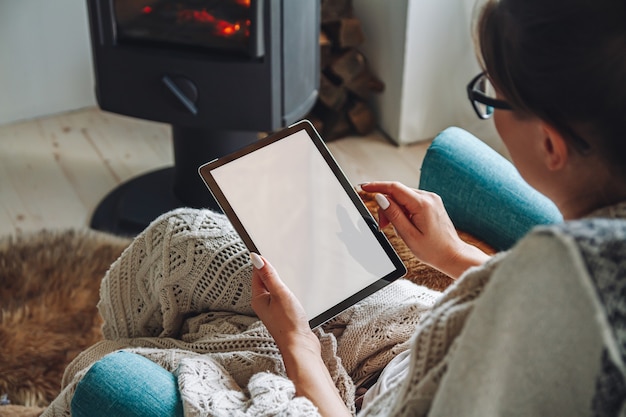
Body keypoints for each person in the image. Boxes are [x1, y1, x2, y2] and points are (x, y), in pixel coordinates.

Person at [45, 0, 625, 415]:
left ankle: (97, 368)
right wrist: (450, 256)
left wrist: (297, 345)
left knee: (155, 328)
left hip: (365, 393)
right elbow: (525, 310)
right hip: (418, 335)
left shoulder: (572, 304)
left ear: (550, 143)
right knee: (185, 239)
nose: (491, 110)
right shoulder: (583, 272)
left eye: (489, 95)